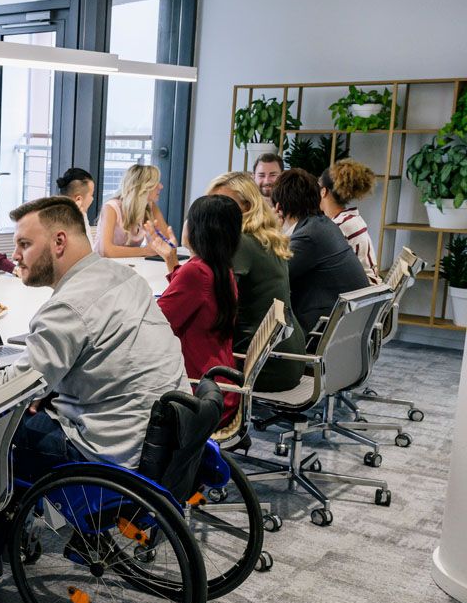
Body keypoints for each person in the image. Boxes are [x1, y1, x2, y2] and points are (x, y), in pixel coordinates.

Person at [0, 197, 188, 574]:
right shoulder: (125, 278)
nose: (17, 255)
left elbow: (9, 390)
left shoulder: (68, 307)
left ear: (59, 243)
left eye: (24, 244)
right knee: (31, 409)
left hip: (105, 453)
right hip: (159, 435)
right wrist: (44, 389)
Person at [206, 172, 307, 392]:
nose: (217, 210)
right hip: (287, 356)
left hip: (262, 366)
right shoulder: (266, 237)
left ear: (248, 206)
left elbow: (211, 301)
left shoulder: (241, 242)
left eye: (225, 203)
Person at [150, 195, 243, 424]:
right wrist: (172, 262)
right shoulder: (220, 268)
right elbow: (194, 298)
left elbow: (154, 323)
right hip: (219, 389)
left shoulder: (196, 273)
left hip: (197, 396)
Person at [271, 168, 371, 333]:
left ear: (278, 207)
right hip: (346, 326)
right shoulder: (322, 224)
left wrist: (271, 231)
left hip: (324, 329)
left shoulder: (308, 236)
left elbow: (273, 275)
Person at [94, 163, 176, 258]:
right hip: (103, 266)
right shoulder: (111, 208)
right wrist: (145, 251)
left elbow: (169, 245)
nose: (161, 186)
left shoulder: (150, 206)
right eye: (156, 183)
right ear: (142, 187)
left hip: (130, 265)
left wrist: (156, 241)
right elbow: (106, 251)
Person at [320, 159, 381, 284]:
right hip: (370, 289)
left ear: (323, 191)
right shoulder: (351, 219)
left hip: (362, 294)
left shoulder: (339, 226)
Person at [55, 167, 97, 238]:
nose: (92, 199)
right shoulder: (60, 225)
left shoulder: (82, 215)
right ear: (78, 199)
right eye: (91, 195)